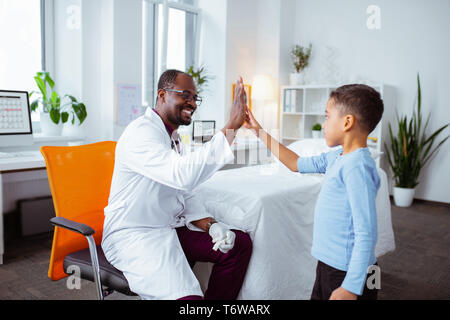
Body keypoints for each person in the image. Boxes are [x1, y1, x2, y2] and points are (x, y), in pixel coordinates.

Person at [101, 69, 252, 300]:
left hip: (167, 227)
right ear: (162, 95)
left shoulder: (172, 137)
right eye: (185, 95)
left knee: (239, 245)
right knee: (187, 300)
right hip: (135, 234)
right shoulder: (141, 133)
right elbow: (182, 175)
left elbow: (184, 191)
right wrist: (231, 125)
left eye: (195, 97)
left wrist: (211, 225)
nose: (192, 102)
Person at [244, 84, 383, 300]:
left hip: (350, 273)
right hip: (331, 265)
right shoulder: (337, 157)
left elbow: (366, 232)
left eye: (327, 117)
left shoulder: (358, 168)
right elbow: (295, 163)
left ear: (347, 122)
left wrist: (352, 287)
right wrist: (259, 131)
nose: (324, 124)